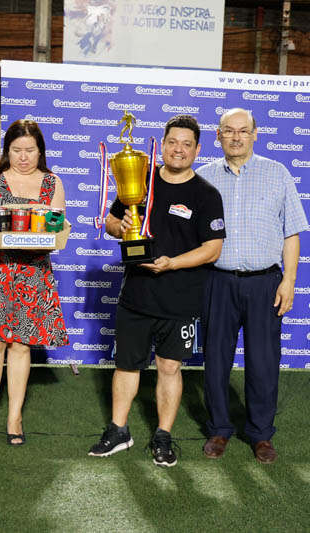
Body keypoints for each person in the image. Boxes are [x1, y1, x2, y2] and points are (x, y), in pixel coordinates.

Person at [88, 114, 225, 467]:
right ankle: (118, 430)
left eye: (186, 144)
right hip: (137, 295)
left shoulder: (207, 194)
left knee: (169, 366)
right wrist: (123, 227)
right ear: (162, 144)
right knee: (127, 364)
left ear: (197, 150)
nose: (178, 150)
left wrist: (172, 263)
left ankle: (163, 436)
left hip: (181, 298)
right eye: (172, 142)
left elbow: (213, 249)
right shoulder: (139, 179)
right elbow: (110, 221)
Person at [197, 108, 308, 464]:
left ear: (255, 134)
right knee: (215, 360)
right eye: (229, 131)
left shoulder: (277, 174)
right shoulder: (203, 177)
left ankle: (261, 434)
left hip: (265, 282)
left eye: (243, 131)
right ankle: (219, 429)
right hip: (217, 280)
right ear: (218, 135)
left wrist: (289, 281)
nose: (236, 137)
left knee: (263, 361)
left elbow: (291, 232)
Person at [0, 119, 68, 447]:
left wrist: (52, 236)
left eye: (30, 150)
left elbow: (57, 227)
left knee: (21, 344)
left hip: (32, 272)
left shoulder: (52, 182)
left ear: (40, 151)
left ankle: (14, 416)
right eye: (16, 150)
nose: (23, 157)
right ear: (7, 150)